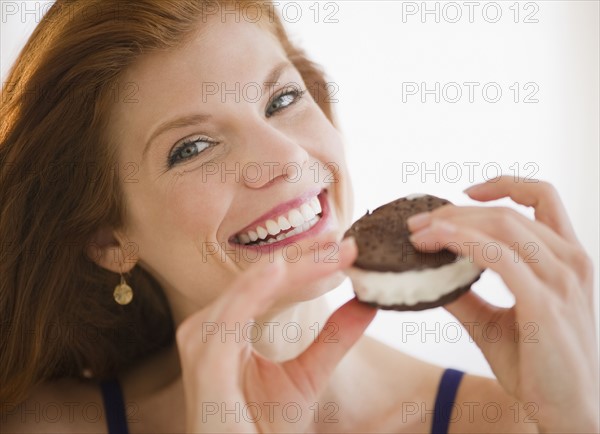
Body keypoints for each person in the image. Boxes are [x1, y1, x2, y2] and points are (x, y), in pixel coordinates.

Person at [1, 1, 597, 433]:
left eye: (282, 100)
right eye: (193, 148)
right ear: (107, 239)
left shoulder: (512, 423)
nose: (285, 158)